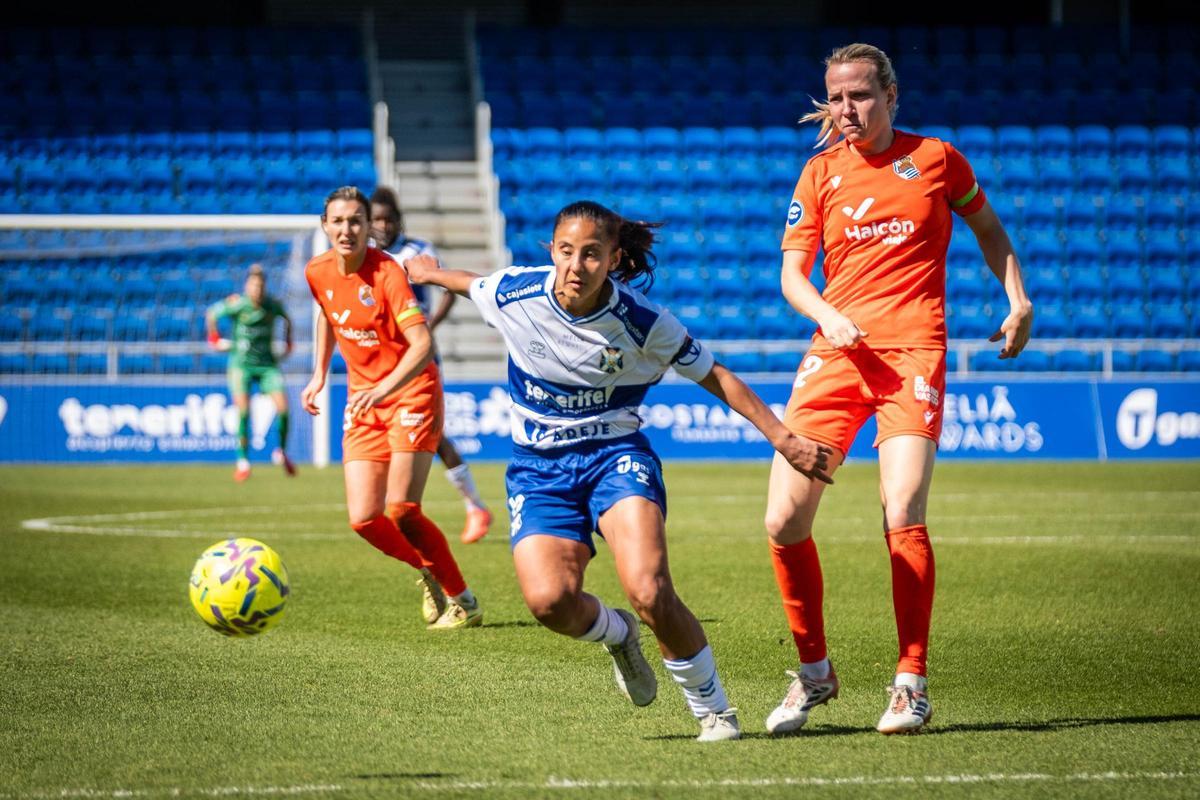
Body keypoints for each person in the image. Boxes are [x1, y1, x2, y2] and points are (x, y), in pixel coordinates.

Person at [404, 200, 833, 742]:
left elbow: (717, 377)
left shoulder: (644, 322)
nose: (575, 266)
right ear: (551, 252)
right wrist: (426, 273)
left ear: (613, 259)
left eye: (590, 254)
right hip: (538, 470)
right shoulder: (516, 293)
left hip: (616, 458)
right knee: (549, 602)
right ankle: (616, 634)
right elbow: (471, 283)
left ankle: (713, 710)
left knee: (650, 589)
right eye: (566, 251)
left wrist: (784, 438)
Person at [762, 43, 1034, 736]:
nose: (846, 109)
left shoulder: (938, 159)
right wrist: (828, 315)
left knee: (901, 506)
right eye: (836, 97)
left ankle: (910, 681)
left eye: (859, 95)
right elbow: (793, 276)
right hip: (835, 353)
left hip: (913, 351)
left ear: (891, 95)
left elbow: (989, 230)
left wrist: (1018, 299)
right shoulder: (820, 171)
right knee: (783, 521)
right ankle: (816, 674)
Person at [300, 186, 483, 630]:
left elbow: (422, 345)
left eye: (355, 221)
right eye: (338, 221)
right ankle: (426, 572)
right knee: (364, 519)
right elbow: (327, 312)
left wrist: (383, 389)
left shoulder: (388, 273)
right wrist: (319, 374)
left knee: (402, 508)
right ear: (326, 226)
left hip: (410, 390)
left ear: (368, 227)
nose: (347, 229)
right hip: (366, 398)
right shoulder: (317, 271)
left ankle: (465, 602)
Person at [369, 187, 493, 545]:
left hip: (418, 355)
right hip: (381, 357)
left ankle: (474, 506)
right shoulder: (368, 256)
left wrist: (429, 328)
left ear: (398, 220)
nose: (382, 225)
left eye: (388, 219)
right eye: (376, 219)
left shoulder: (417, 251)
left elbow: (448, 289)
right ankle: (391, 509)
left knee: (433, 435)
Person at [205, 264, 296, 482]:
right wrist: (214, 338)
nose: (257, 289)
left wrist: (288, 343)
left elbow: (288, 320)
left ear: (264, 287)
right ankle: (243, 462)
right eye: (254, 285)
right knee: (243, 411)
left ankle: (281, 452)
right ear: (247, 286)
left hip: (267, 366)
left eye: (260, 285)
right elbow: (211, 314)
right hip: (241, 365)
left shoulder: (272, 305)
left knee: (284, 410)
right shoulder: (238, 304)